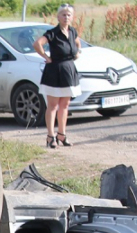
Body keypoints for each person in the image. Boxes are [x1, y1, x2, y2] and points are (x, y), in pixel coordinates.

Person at [34, 4, 81, 148]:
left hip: (69, 71)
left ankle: (62, 134)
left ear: (72, 17)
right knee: (53, 105)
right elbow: (37, 44)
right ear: (58, 16)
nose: (66, 17)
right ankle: (50, 136)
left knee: (65, 105)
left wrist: (78, 53)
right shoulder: (52, 33)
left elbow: (78, 45)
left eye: (68, 15)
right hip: (54, 72)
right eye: (63, 15)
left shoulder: (73, 32)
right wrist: (46, 57)